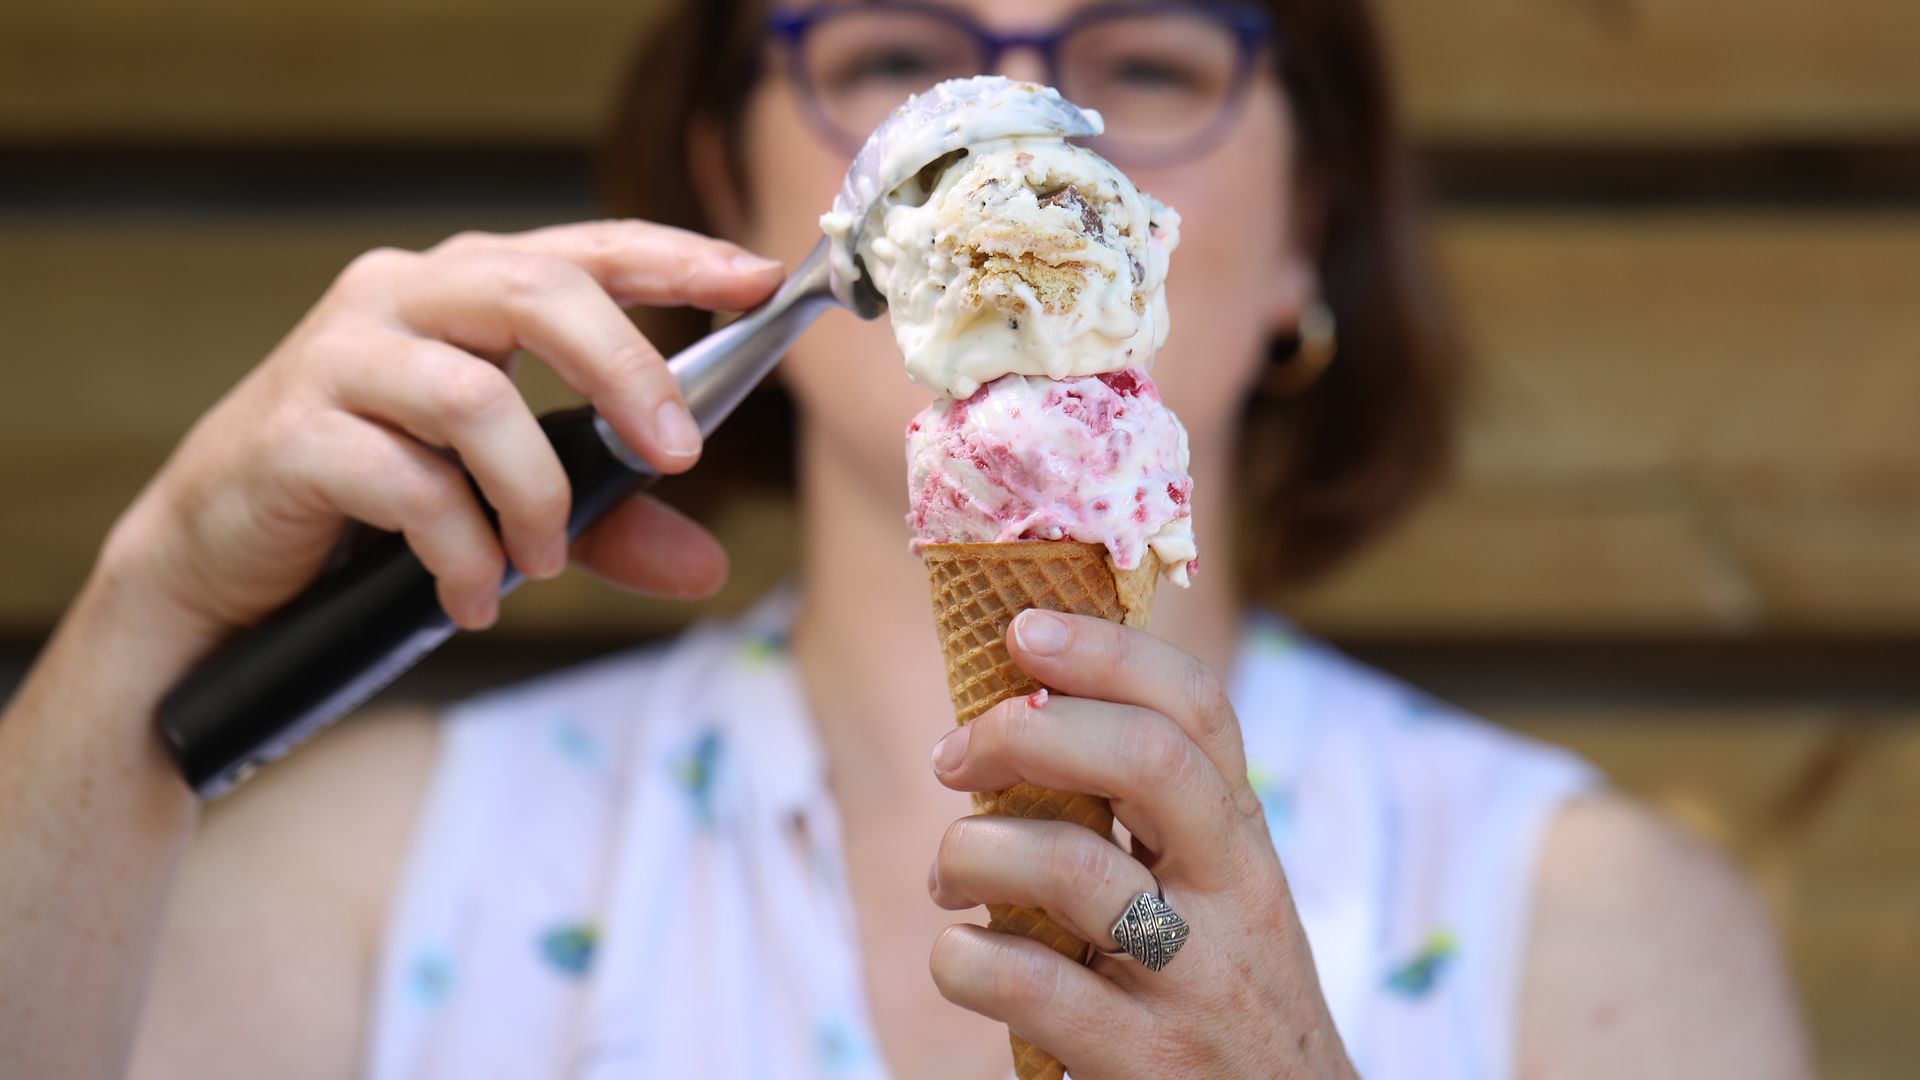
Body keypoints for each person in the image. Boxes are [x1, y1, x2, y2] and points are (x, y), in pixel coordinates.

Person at [0, 1, 1813, 1077]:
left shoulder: (1601, 932)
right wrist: (139, 631)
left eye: (1146, 58)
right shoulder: (376, 878)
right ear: (732, 196)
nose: (1010, 159)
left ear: (1305, 230)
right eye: (885, 51)